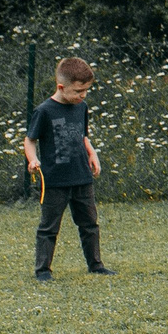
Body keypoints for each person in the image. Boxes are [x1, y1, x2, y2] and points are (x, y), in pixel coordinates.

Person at [24, 56, 109, 282]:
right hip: (54, 181)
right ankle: (43, 271)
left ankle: (96, 265)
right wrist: (32, 160)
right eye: (78, 91)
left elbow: (83, 136)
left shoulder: (81, 107)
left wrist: (93, 154)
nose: (82, 95)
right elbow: (29, 140)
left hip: (82, 177)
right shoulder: (44, 111)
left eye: (86, 91)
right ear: (61, 87)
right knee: (48, 228)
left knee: (90, 224)